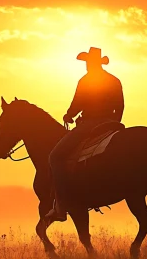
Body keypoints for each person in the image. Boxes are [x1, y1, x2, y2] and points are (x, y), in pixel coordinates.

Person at [45, 47, 124, 222]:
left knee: (55, 157)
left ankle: (61, 205)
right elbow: (120, 106)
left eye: (88, 62)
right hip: (112, 124)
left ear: (91, 63)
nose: (87, 65)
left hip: (90, 124)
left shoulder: (86, 80)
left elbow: (77, 104)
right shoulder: (114, 80)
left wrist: (68, 115)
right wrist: (115, 124)